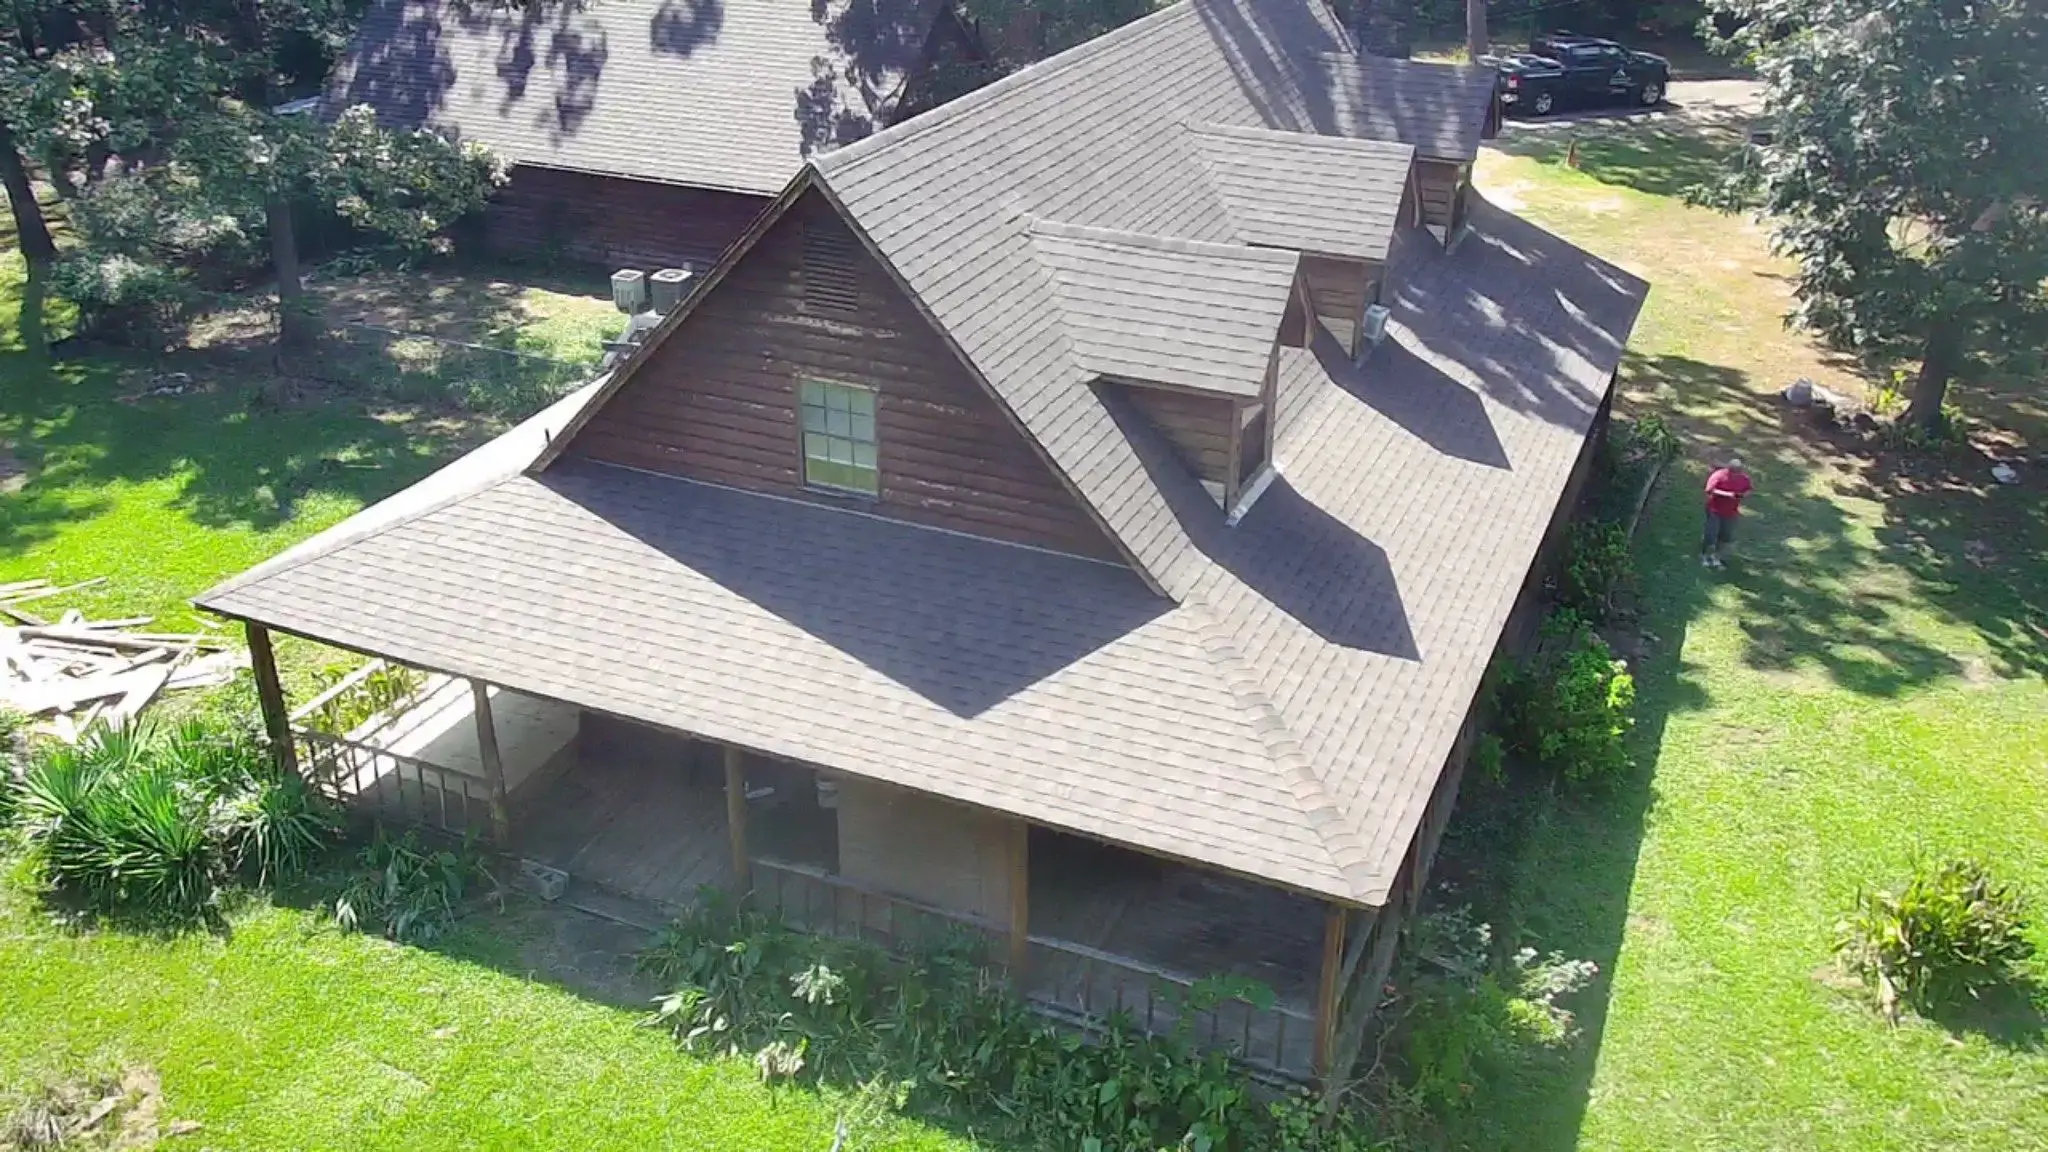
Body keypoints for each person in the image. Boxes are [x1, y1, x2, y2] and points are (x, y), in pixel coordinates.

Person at [1701, 456, 1753, 567]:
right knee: (1711, 534)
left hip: (1731, 512)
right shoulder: (1719, 475)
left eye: (1738, 472)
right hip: (1714, 509)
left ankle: (1716, 557)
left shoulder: (1744, 478)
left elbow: (1749, 489)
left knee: (1725, 536)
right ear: (1729, 469)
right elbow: (1709, 490)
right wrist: (1728, 494)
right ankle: (1704, 555)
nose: (1736, 474)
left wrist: (1744, 495)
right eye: (1734, 472)